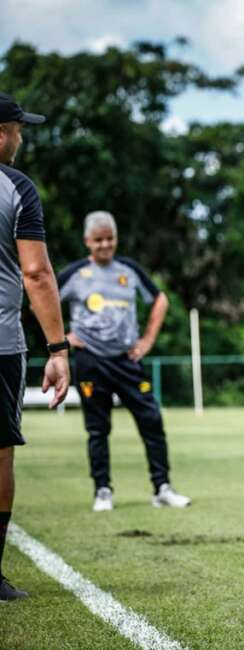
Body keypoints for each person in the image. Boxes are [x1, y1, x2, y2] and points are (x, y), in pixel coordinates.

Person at [57, 211, 191, 511]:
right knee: (97, 429)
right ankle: (102, 490)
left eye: (110, 238)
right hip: (90, 360)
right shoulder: (75, 274)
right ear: (87, 242)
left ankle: (162, 488)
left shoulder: (128, 270)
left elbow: (160, 299)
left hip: (127, 360)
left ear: (116, 238)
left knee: (152, 420)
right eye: (98, 240)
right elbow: (40, 296)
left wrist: (147, 341)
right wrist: (63, 337)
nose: (105, 245)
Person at [0, 92, 71, 601]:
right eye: (19, 128)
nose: (22, 137)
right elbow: (37, 272)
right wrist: (59, 348)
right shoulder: (16, 187)